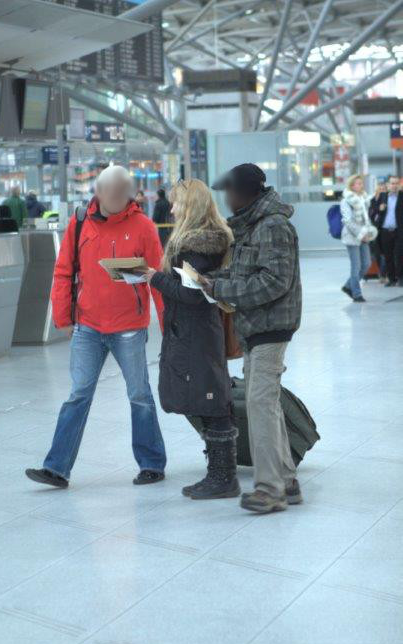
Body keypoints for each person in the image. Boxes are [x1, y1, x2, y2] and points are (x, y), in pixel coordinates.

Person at [26, 165, 166, 489]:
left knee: (139, 395)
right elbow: (63, 271)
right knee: (78, 395)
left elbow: (158, 279)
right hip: (88, 326)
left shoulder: (143, 227)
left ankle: (152, 463)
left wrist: (168, 320)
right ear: (99, 193)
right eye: (110, 194)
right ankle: (57, 468)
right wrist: (63, 316)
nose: (116, 201)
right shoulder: (78, 223)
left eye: (122, 195)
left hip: (129, 326)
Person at [199, 163, 302, 514]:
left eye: (229, 191)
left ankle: (269, 489)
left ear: (246, 192)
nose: (226, 198)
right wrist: (211, 279)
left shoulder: (272, 226)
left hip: (271, 328)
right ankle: (286, 480)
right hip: (255, 327)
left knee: (259, 406)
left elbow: (274, 282)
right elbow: (248, 272)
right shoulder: (252, 227)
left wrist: (224, 288)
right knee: (267, 405)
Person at [142, 179, 239, 500]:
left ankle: (223, 477)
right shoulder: (207, 241)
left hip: (195, 332)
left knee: (211, 401)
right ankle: (220, 472)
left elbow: (191, 295)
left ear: (191, 207)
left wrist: (154, 278)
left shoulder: (196, 246)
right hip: (194, 332)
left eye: (177, 204)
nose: (171, 209)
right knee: (205, 397)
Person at [340, 174, 377, 302]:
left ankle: (348, 285)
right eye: (357, 183)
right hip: (352, 237)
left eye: (361, 183)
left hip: (364, 236)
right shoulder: (346, 201)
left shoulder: (364, 199)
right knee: (356, 266)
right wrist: (361, 235)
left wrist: (367, 233)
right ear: (351, 186)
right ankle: (356, 294)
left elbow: (366, 219)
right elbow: (348, 221)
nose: (360, 185)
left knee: (366, 264)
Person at [369, 174, 403, 287]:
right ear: (388, 185)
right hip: (384, 231)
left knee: (399, 255)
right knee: (388, 256)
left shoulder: (402, 196)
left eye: (396, 183)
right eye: (392, 183)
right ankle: (392, 279)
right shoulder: (382, 197)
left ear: (399, 185)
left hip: (399, 231)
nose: (394, 186)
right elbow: (373, 213)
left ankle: (401, 278)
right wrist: (379, 209)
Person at [369, 180, 387, 283]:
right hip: (375, 230)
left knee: (386, 253)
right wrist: (378, 209)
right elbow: (370, 214)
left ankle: (385, 274)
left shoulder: (387, 200)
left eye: (384, 189)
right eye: (380, 188)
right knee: (377, 253)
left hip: (384, 229)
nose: (382, 191)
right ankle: (381, 273)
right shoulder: (372, 200)